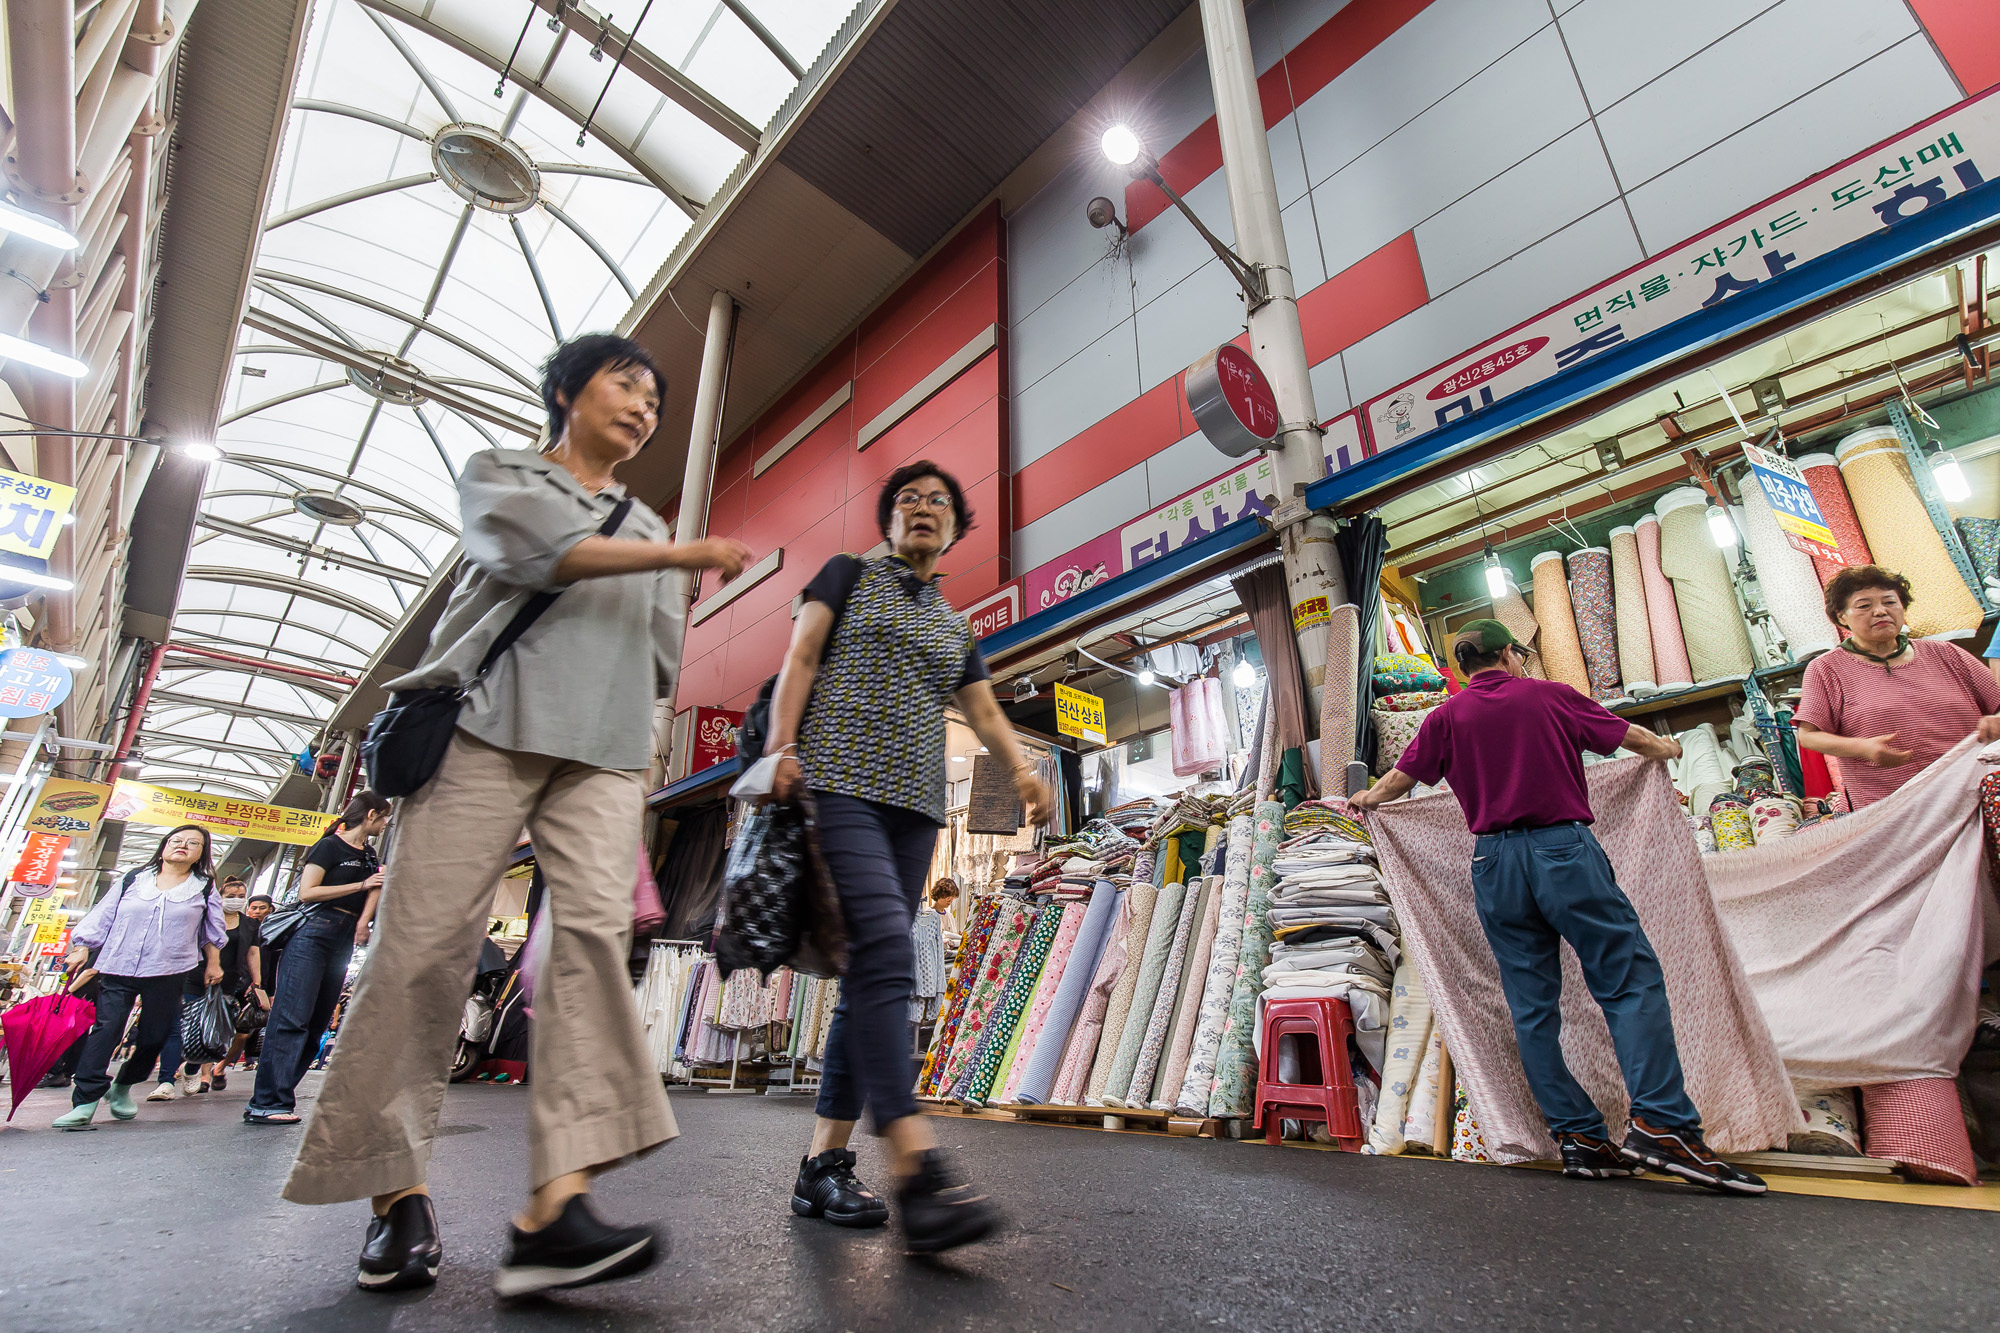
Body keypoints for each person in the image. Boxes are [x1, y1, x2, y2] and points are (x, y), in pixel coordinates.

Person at [280, 332, 751, 1298]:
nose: (643, 406)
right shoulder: (504, 471)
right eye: (627, 382)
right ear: (567, 391)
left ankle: (555, 1208)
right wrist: (683, 551)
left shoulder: (647, 516)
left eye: (655, 399)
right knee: (421, 950)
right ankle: (394, 1192)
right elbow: (539, 555)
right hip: (484, 728)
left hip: (608, 752)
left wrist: (650, 732)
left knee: (588, 948)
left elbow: (663, 655)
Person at [1349, 620, 1765, 1195]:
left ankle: (1579, 1135)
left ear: (1466, 667)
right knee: (1628, 981)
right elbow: (1632, 740)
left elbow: (1396, 780)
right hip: (1561, 851)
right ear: (1510, 655)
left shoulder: (1445, 717)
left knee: (1531, 1007)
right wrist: (1669, 747)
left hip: (1492, 865)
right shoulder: (1549, 696)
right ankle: (1662, 1125)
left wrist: (1364, 799)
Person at [767, 460, 1054, 1254]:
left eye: (938, 502)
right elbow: (801, 656)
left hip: (916, 811)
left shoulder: (953, 624)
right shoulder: (846, 574)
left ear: (957, 527)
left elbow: (985, 709)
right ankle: (917, 1170)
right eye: (907, 500)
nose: (922, 509)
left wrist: (1025, 772)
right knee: (889, 956)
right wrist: (779, 746)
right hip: (840, 786)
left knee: (870, 986)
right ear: (888, 519)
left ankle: (822, 1165)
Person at [53, 825, 225, 1130]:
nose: (183, 845)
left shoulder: (203, 887)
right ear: (163, 846)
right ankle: (86, 1101)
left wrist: (214, 963)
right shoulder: (133, 878)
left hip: (170, 969)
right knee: (106, 1030)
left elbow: (212, 932)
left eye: (193, 843)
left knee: (155, 1036)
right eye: (177, 840)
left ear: (201, 853)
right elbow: (103, 914)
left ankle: (123, 1084)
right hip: (119, 964)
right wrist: (82, 947)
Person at [1794, 565, 2000, 809]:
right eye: (1864, 606)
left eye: (1890, 602)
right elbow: (1808, 736)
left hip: (1978, 794)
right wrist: (1863, 748)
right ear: (1841, 616)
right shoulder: (1827, 669)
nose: (1880, 611)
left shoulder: (1946, 653)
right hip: (1894, 807)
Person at [244, 793, 391, 1126]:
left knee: (317, 1022)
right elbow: (307, 892)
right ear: (370, 815)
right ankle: (266, 1102)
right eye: (383, 819)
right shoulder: (329, 847)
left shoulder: (369, 853)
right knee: (291, 1017)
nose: (385, 825)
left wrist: (362, 922)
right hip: (313, 931)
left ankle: (279, 1094)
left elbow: (376, 887)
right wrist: (362, 882)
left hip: (343, 937)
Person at [143, 875, 263, 1100]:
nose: (236, 900)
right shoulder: (205, 916)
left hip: (228, 984)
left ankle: (191, 1068)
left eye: (240, 897)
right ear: (220, 897)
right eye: (230, 896)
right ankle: (166, 1082)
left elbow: (253, 952)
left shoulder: (250, 924)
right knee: (182, 1027)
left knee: (209, 1032)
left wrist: (257, 982)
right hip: (195, 977)